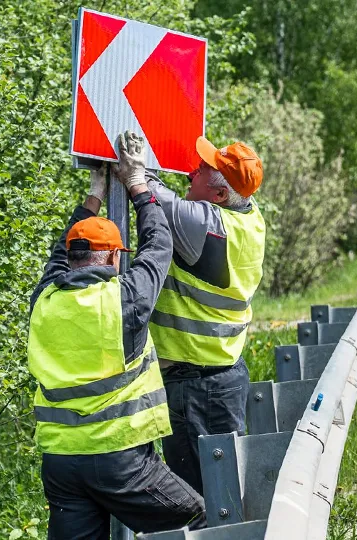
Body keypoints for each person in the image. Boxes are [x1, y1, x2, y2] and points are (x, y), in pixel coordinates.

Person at [28, 131, 205, 539]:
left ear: (71, 258)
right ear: (111, 257)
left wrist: (95, 191)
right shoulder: (125, 299)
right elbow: (159, 244)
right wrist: (138, 183)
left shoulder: (45, 299)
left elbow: (60, 252)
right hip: (118, 460)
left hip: (61, 462)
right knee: (198, 518)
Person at [147, 136, 267, 494]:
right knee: (221, 492)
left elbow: (146, 189)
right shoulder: (248, 216)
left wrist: (138, 166)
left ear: (217, 197)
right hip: (219, 379)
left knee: (200, 499)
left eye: (200, 171)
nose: (189, 172)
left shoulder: (207, 226)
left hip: (198, 388)